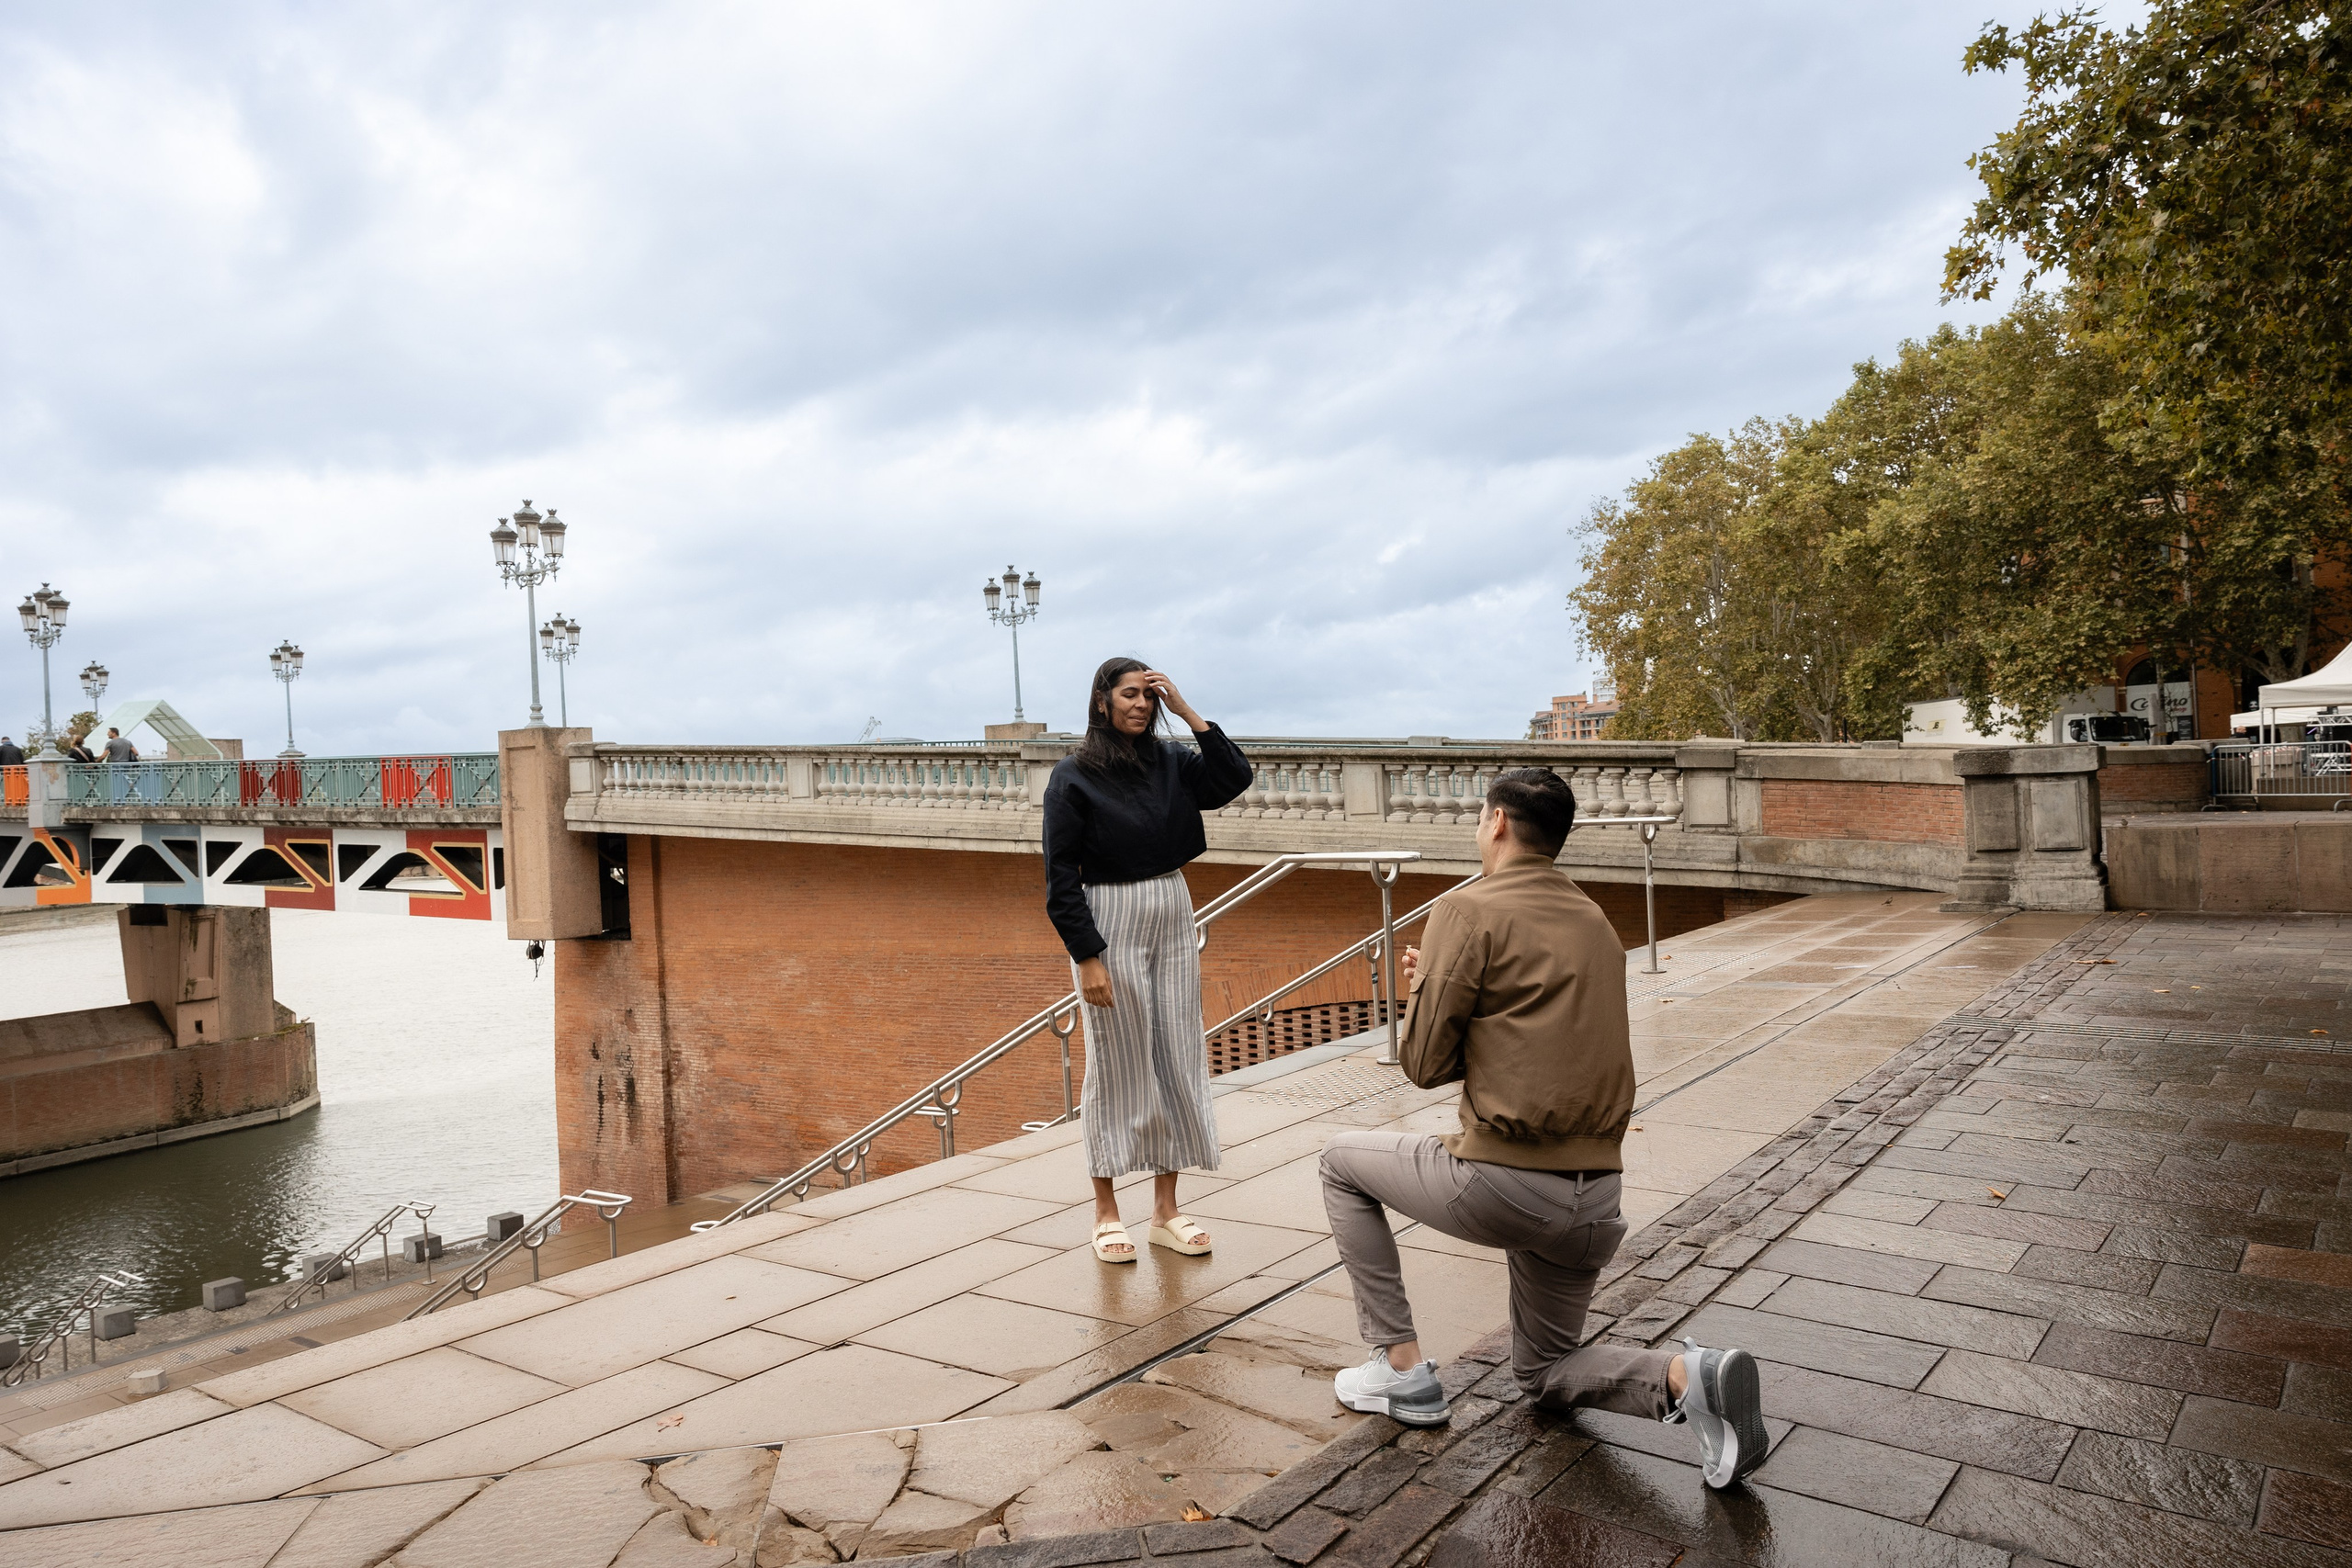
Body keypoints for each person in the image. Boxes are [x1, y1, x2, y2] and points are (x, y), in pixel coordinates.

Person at [1317, 767, 1767, 1490]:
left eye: (1480, 817)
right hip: (1596, 1199)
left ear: (1496, 821)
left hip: (1506, 1184)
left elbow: (1424, 1064)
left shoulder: (1465, 907)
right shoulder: (1594, 919)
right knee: (1545, 1371)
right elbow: (1532, 1026)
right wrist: (1447, 980)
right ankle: (1690, 1376)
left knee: (1340, 1160)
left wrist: (1427, 987)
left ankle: (1400, 1369)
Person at [1043, 659, 1252, 1264]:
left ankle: (1166, 1210)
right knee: (1116, 1062)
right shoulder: (1072, 776)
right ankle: (1106, 1211)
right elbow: (1060, 876)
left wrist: (1187, 712)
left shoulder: (1171, 760)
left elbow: (1232, 777)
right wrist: (1088, 956)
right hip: (1109, 915)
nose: (1141, 704)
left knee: (1176, 1051)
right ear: (1102, 701)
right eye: (1130, 694)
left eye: (1149, 695)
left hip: (1171, 905)